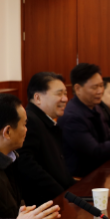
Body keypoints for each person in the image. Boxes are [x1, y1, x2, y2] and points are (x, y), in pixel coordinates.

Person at [60, 63, 110, 177]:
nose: (100, 91)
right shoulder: (72, 117)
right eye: (95, 87)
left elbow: (109, 137)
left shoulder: (96, 107)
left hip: (103, 169)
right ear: (78, 88)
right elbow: (95, 151)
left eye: (101, 86)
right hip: (84, 177)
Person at [19, 71, 75, 206]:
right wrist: (61, 194)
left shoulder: (46, 121)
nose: (65, 99)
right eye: (59, 94)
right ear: (38, 98)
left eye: (65, 93)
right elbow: (27, 165)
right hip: (47, 204)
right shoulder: (30, 121)